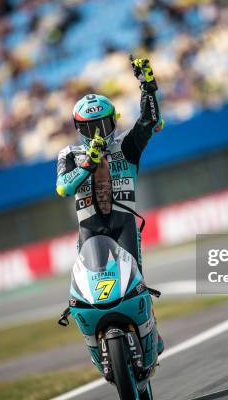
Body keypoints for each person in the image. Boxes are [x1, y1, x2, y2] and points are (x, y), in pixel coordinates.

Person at [56, 57, 165, 354]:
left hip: (123, 223)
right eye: (90, 128)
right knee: (89, 292)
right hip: (90, 229)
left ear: (114, 122)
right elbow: (64, 187)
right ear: (79, 129)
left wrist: (148, 87)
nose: (98, 134)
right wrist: (88, 165)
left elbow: (149, 122)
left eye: (103, 125)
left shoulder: (125, 147)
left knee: (135, 283)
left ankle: (150, 332)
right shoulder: (69, 155)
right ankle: (96, 346)